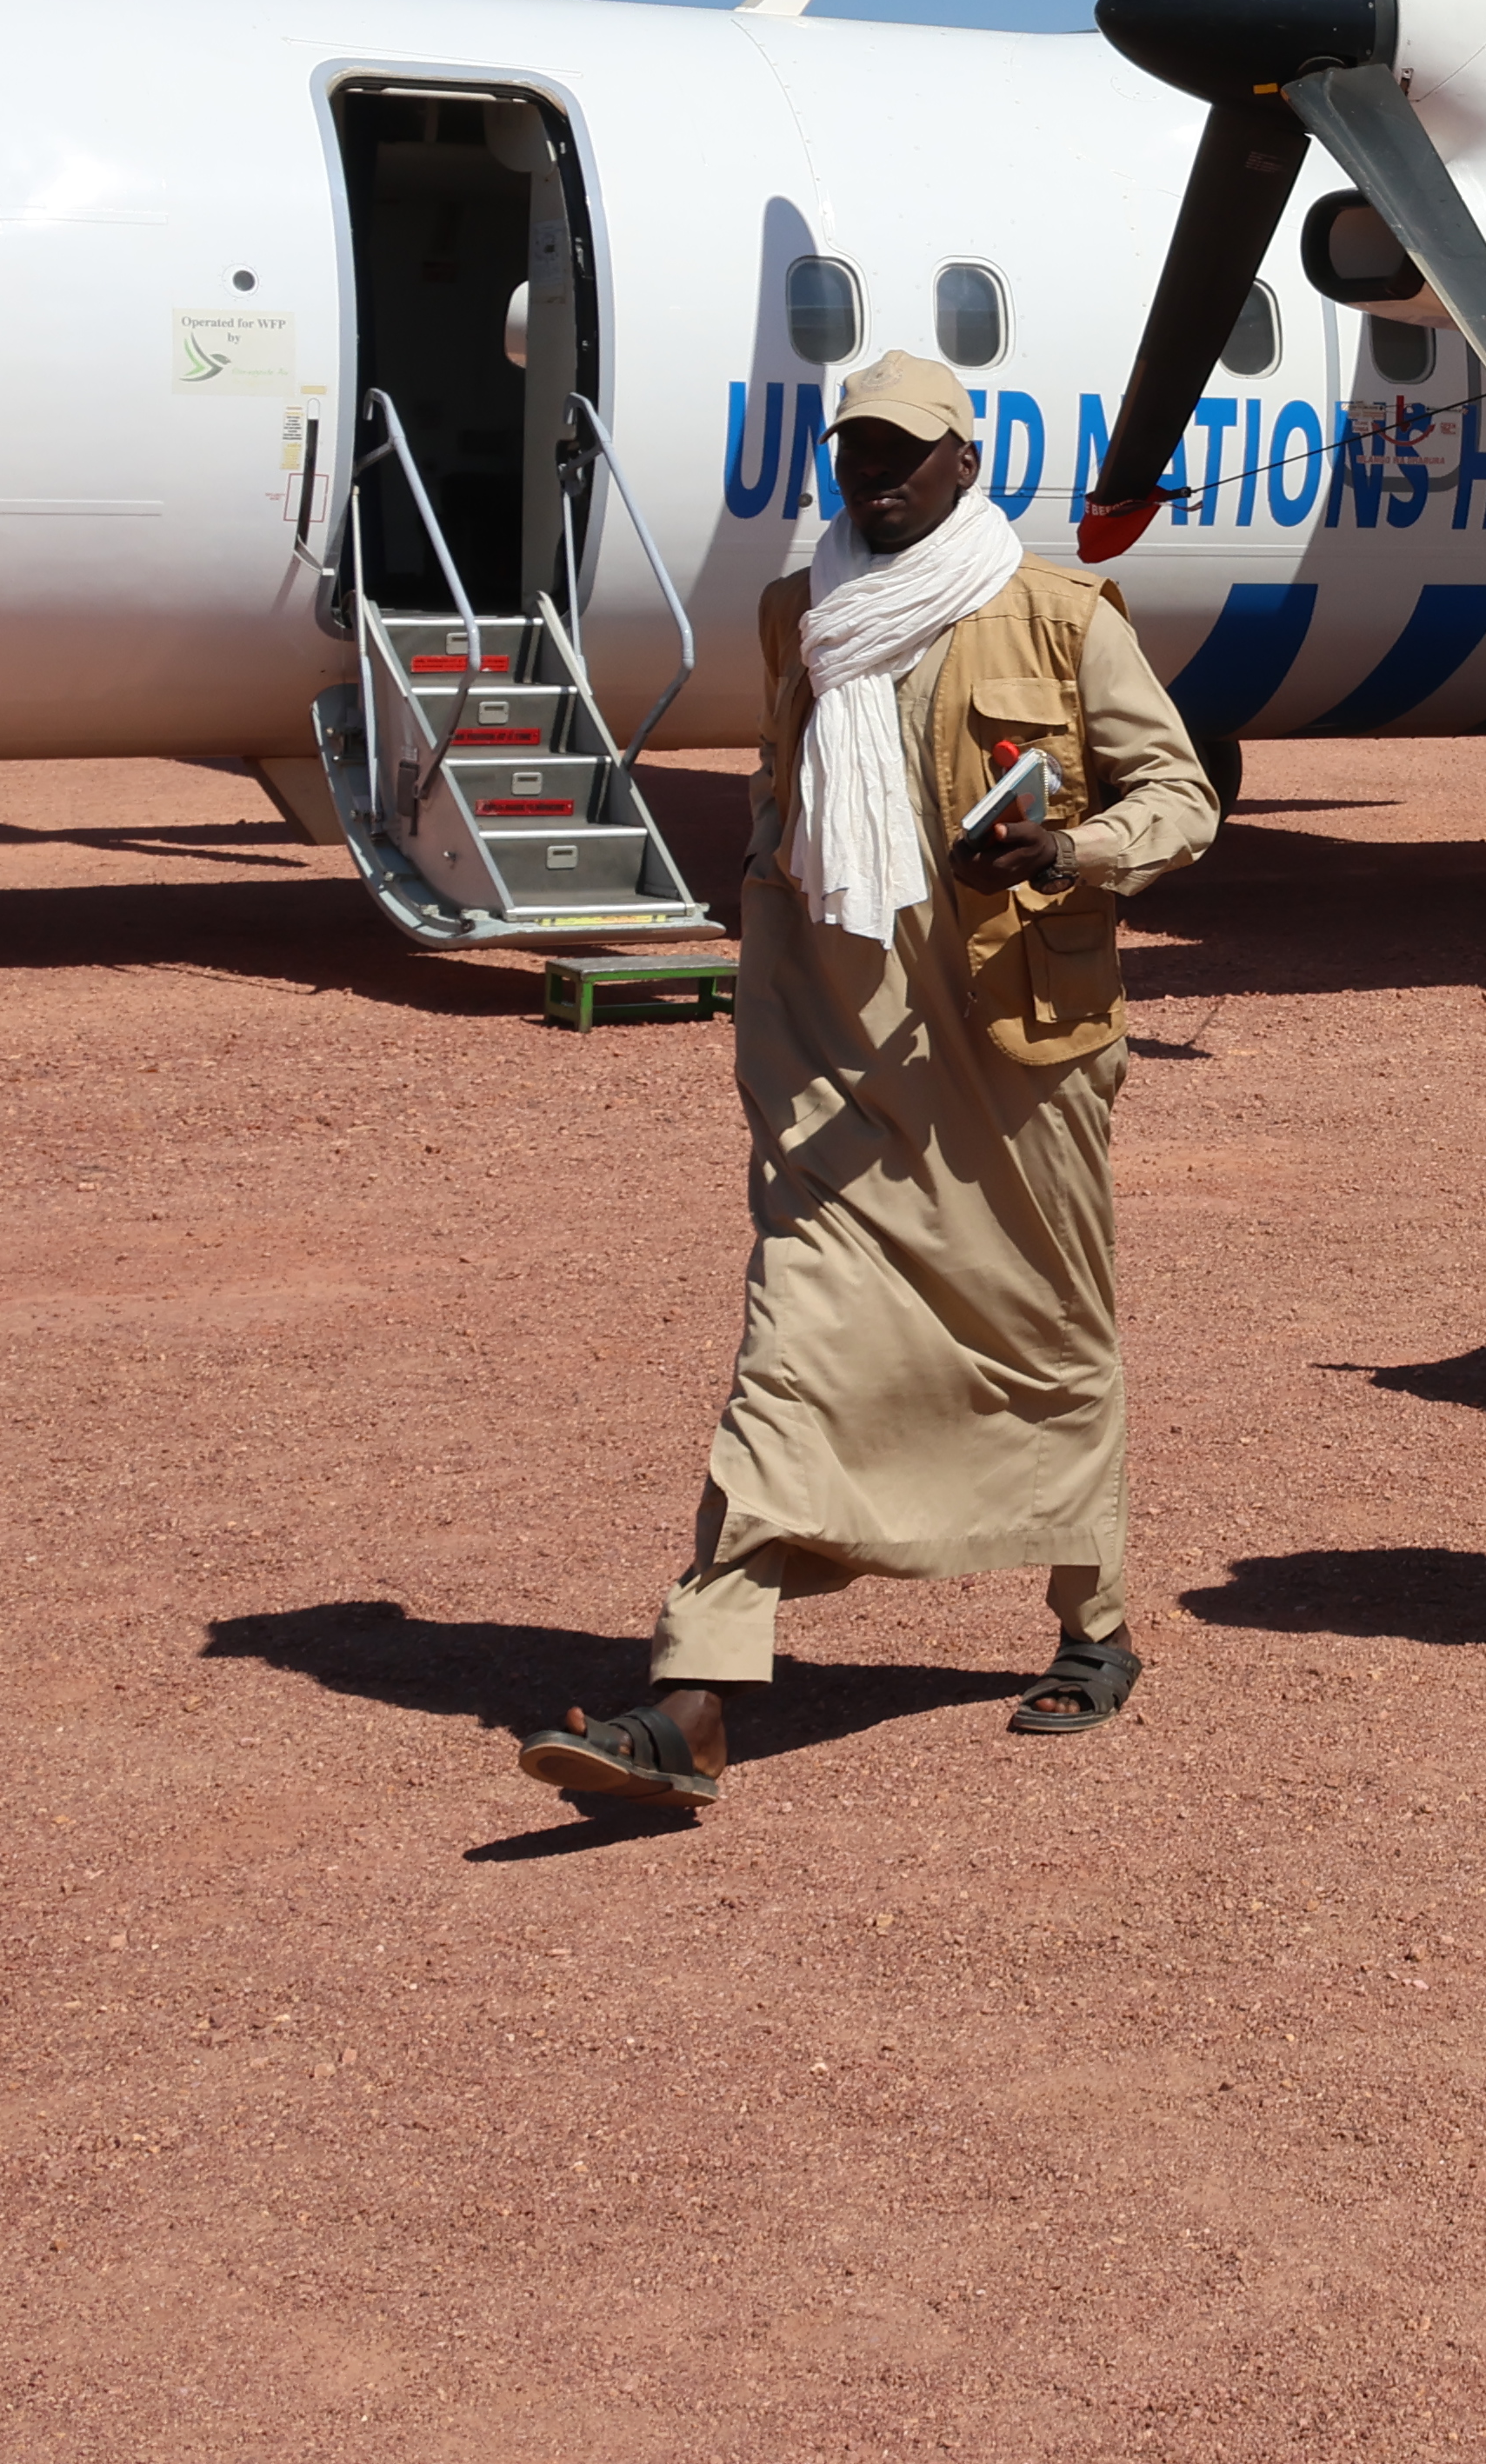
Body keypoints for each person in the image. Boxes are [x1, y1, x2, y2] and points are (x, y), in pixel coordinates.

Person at [514, 353, 1220, 1815]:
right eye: (856, 453)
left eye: (906, 453)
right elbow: (785, 802)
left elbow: (1180, 800)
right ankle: (692, 1697)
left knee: (1047, 1339)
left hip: (1014, 1054)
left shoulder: (1058, 617)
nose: (875, 476)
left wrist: (1074, 853)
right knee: (794, 1341)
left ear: (970, 465)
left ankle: (1095, 1625)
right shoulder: (803, 617)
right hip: (834, 1049)